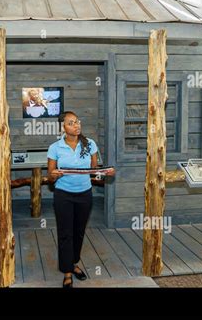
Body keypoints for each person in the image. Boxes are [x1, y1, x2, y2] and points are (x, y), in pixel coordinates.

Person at [47, 111, 115, 288]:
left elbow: (94, 172)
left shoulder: (90, 144)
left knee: (78, 232)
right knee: (65, 233)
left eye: (77, 122)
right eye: (71, 123)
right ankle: (67, 271)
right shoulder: (55, 148)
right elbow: (50, 178)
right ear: (62, 127)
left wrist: (105, 172)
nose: (76, 125)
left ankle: (74, 263)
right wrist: (53, 175)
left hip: (85, 194)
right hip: (63, 195)